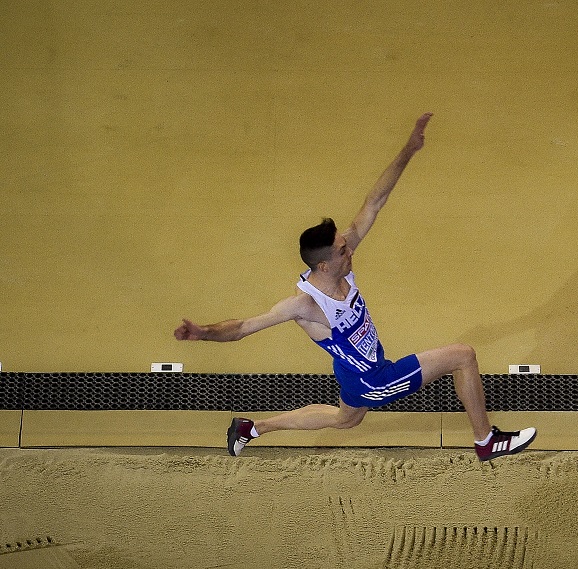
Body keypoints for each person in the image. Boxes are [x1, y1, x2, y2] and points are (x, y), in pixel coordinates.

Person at [174, 113, 536, 461]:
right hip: (372, 379)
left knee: (344, 419)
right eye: (342, 248)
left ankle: (252, 428)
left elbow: (373, 203)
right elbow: (241, 328)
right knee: (463, 355)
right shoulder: (304, 306)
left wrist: (409, 150)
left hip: (350, 371)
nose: (351, 246)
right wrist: (203, 332)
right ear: (324, 264)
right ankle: (486, 441)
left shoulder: (340, 267)